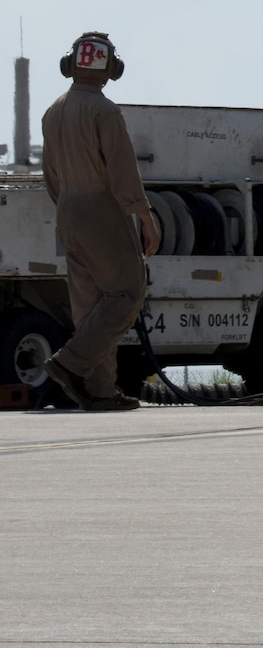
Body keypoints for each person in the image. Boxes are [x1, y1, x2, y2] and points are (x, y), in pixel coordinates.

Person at [39, 33, 156, 411]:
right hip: (100, 208)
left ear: (69, 65)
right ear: (111, 70)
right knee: (126, 291)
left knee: (90, 305)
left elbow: (51, 174)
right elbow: (122, 170)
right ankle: (70, 363)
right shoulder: (105, 111)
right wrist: (144, 215)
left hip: (68, 209)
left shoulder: (53, 111)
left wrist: (68, 207)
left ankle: (100, 390)